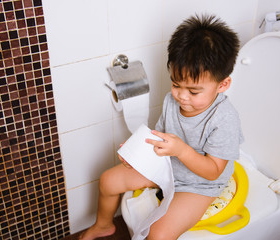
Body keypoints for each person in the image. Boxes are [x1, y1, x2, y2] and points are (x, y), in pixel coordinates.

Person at [80, 14, 243, 240]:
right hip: (168, 166)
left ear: (222, 84)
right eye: (176, 84)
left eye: (193, 91)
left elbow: (214, 170)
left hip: (201, 184)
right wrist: (136, 151)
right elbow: (158, 137)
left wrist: (182, 151)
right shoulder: (171, 100)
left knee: (158, 234)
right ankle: (103, 225)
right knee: (108, 180)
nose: (182, 96)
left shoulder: (224, 119)